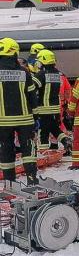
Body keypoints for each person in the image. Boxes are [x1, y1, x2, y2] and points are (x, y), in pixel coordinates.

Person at [0, 38, 38, 185]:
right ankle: (32, 180)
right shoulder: (24, 72)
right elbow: (32, 96)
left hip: (3, 120)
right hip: (25, 119)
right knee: (28, 151)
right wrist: (36, 116)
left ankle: (10, 183)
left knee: (6, 150)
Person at [32, 49, 72, 154]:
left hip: (43, 109)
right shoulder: (58, 74)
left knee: (43, 132)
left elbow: (31, 88)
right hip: (55, 108)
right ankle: (65, 140)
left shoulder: (41, 74)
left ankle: (43, 152)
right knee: (54, 128)